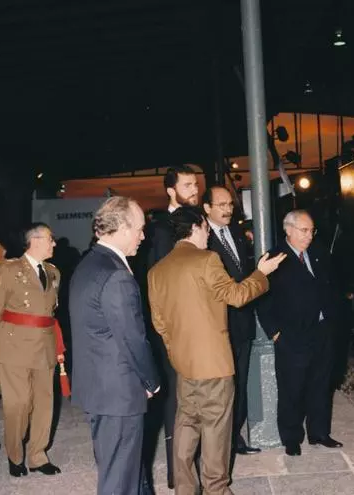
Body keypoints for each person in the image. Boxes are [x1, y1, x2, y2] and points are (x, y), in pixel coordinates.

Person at [148, 206, 286, 495]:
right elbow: (237, 296)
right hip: (213, 365)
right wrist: (261, 273)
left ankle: (185, 489)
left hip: (183, 364)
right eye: (206, 229)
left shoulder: (157, 271)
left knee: (186, 426)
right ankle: (216, 490)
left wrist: (177, 353)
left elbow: (159, 324)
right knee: (216, 431)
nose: (208, 235)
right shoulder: (207, 260)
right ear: (195, 228)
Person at [71, 196, 161, 495]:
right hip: (119, 393)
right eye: (139, 229)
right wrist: (151, 381)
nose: (142, 236)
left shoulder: (88, 264)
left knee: (127, 471)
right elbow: (132, 338)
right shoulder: (117, 274)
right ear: (122, 228)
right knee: (119, 480)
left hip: (99, 389)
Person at [259, 210, 343, 456]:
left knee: (320, 385)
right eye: (304, 231)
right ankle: (291, 437)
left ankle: (319, 432)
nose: (309, 236)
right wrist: (275, 333)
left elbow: (331, 287)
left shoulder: (319, 253)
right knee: (291, 388)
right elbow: (261, 299)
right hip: (292, 335)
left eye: (311, 231)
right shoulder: (274, 258)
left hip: (321, 331)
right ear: (288, 229)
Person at [0, 223, 63, 477]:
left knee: (44, 403)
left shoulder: (53, 272)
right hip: (13, 347)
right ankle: (15, 455)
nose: (54, 243)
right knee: (17, 404)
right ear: (36, 241)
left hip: (45, 346)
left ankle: (38, 456)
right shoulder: (9, 270)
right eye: (50, 239)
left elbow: (50, 312)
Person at [142, 164, 200, 488]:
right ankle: (177, 473)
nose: (194, 189)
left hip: (197, 326)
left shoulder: (198, 221)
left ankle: (194, 466)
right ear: (171, 190)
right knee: (176, 401)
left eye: (196, 184)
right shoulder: (162, 229)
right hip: (175, 329)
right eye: (187, 185)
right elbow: (163, 282)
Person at [201, 186, 260, 457]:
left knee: (241, 383)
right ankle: (220, 440)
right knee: (221, 387)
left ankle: (235, 435)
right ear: (207, 208)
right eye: (221, 205)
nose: (228, 210)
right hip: (218, 325)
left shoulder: (236, 233)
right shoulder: (201, 239)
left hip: (242, 323)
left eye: (230, 205)